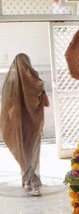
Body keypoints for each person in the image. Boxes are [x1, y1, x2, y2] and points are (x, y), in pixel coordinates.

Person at [0, 53, 49, 196]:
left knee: (23, 151)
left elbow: (7, 105)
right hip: (32, 124)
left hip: (17, 124)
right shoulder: (36, 81)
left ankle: (29, 179)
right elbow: (45, 102)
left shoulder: (11, 82)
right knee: (31, 150)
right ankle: (32, 180)